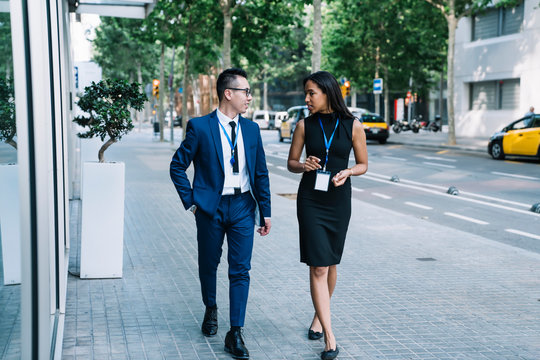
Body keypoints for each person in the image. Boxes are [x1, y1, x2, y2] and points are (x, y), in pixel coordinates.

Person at [170, 68, 271, 360]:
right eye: (246, 91)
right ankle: (211, 307)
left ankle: (235, 331)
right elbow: (177, 166)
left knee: (241, 269)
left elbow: (261, 173)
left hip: (242, 206)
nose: (250, 97)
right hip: (210, 208)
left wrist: (265, 211)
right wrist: (191, 201)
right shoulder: (200, 127)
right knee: (208, 263)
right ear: (229, 93)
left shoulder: (251, 129)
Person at [287, 71, 368, 360]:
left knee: (331, 262)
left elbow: (363, 164)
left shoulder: (352, 125)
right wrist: (303, 164)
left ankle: (319, 318)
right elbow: (291, 163)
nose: (306, 99)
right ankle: (330, 339)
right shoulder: (303, 125)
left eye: (311, 93)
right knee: (318, 266)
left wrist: (347, 171)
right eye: (306, 93)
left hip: (338, 200)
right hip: (310, 200)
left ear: (327, 93)